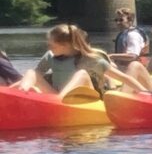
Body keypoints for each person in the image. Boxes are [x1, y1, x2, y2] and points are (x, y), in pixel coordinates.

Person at [14, 24, 144, 99]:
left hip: (85, 99)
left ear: (66, 45)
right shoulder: (50, 56)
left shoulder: (91, 59)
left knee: (81, 73)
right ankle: (19, 95)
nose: (49, 48)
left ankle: (59, 101)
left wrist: (146, 93)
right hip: (57, 96)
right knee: (32, 72)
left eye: (52, 46)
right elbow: (32, 77)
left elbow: (124, 78)